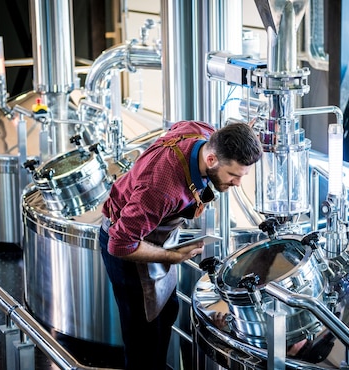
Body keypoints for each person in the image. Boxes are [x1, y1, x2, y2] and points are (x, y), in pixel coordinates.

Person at [98, 120, 262, 370]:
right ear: (211, 160)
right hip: (128, 247)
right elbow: (119, 243)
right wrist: (169, 257)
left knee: (165, 314)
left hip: (154, 239)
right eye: (233, 175)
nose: (237, 183)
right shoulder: (162, 187)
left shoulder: (204, 134)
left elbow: (181, 124)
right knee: (144, 341)